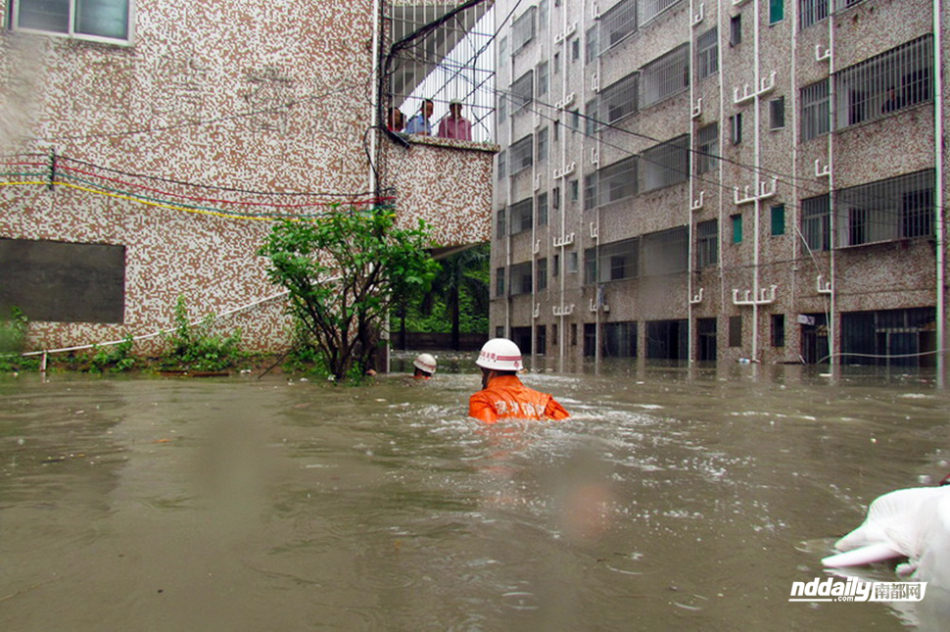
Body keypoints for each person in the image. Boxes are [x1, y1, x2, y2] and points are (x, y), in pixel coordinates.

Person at [468, 338, 570, 424]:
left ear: (487, 371)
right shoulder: (544, 401)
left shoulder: (482, 400)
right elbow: (566, 423)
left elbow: (487, 429)